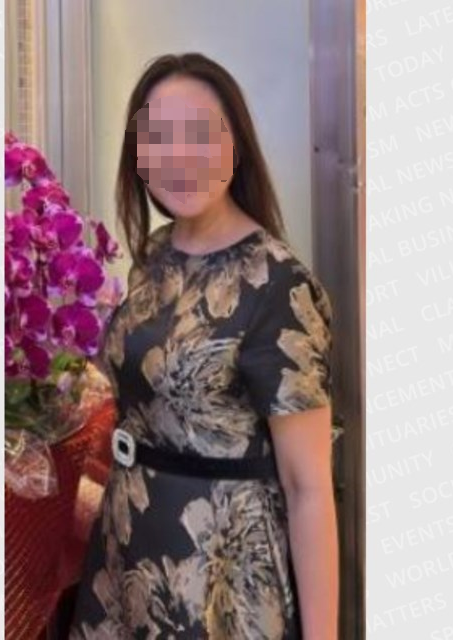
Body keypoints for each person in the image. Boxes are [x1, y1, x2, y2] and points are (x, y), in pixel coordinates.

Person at [68, 52, 339, 640]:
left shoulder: (279, 283)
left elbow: (309, 488)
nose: (178, 157)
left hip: (219, 579)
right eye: (157, 138)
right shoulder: (156, 254)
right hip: (126, 551)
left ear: (235, 146)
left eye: (199, 135)